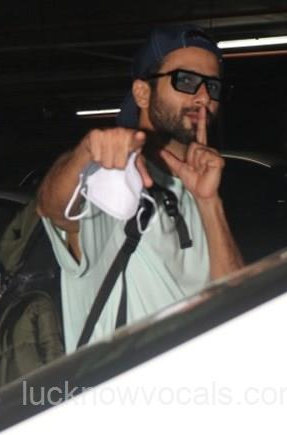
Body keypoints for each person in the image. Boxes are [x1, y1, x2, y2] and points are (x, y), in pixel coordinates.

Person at [37, 24, 244, 352]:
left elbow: (236, 305)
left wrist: (209, 201)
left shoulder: (199, 188)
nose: (204, 97)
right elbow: (54, 209)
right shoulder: (116, 179)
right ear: (142, 93)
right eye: (186, 80)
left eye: (213, 86)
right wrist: (83, 155)